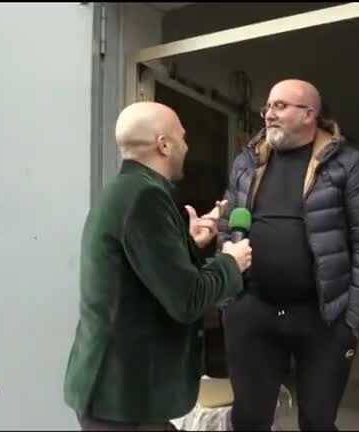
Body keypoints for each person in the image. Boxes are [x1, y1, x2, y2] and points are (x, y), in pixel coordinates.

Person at [63, 102, 253, 431]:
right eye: (182, 137)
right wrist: (230, 263)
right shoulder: (145, 198)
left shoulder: (128, 190)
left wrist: (189, 244)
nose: (187, 147)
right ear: (163, 144)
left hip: (120, 393)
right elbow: (186, 299)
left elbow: (145, 272)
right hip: (122, 399)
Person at [217, 79, 359, 430]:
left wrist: (352, 319)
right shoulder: (248, 161)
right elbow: (226, 225)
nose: (269, 114)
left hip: (323, 317)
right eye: (267, 107)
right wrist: (229, 296)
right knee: (248, 419)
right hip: (253, 310)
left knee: (318, 420)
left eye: (280, 106)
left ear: (310, 114)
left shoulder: (347, 164)